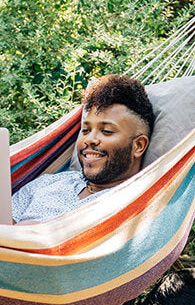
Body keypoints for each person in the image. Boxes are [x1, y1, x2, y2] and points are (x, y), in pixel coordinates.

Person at [12, 75, 155, 224]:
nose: (89, 139)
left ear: (138, 146)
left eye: (106, 131)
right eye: (86, 130)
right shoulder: (49, 182)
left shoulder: (137, 206)